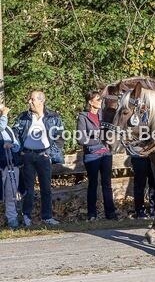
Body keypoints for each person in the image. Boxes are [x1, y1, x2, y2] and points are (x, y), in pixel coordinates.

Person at [13, 90, 64, 227]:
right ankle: (27, 217)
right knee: (28, 188)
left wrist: (51, 153)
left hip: (44, 156)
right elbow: (15, 135)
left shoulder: (53, 117)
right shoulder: (23, 117)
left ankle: (47, 217)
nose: (29, 101)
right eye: (30, 99)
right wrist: (19, 151)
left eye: (32, 99)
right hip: (27, 155)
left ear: (41, 101)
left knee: (46, 188)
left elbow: (60, 137)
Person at [76, 90, 117, 221]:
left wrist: (109, 140)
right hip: (92, 155)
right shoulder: (83, 117)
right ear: (90, 102)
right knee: (93, 184)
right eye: (98, 99)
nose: (100, 102)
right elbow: (81, 139)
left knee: (107, 184)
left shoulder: (104, 115)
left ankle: (111, 214)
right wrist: (98, 139)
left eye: (101, 99)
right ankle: (92, 214)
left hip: (106, 154)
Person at [0, 104, 21, 228]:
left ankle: (12, 219)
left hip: (11, 165)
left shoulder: (7, 129)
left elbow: (17, 145)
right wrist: (4, 115)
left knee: (11, 193)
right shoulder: (3, 125)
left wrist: (12, 146)